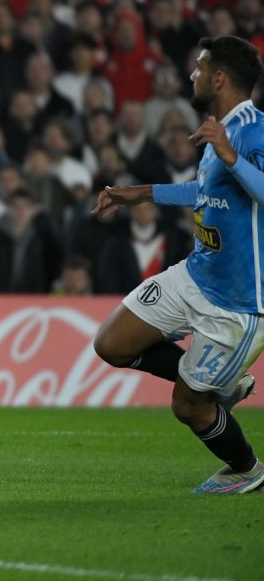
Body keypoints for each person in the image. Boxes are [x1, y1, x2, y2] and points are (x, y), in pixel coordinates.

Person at [92, 35, 264, 494]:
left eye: (200, 67)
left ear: (220, 77)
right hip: (194, 275)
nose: (193, 75)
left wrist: (229, 152)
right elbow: (204, 193)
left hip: (237, 304)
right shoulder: (217, 131)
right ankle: (226, 384)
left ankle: (247, 469)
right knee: (111, 343)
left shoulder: (253, 130)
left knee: (188, 406)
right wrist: (141, 194)